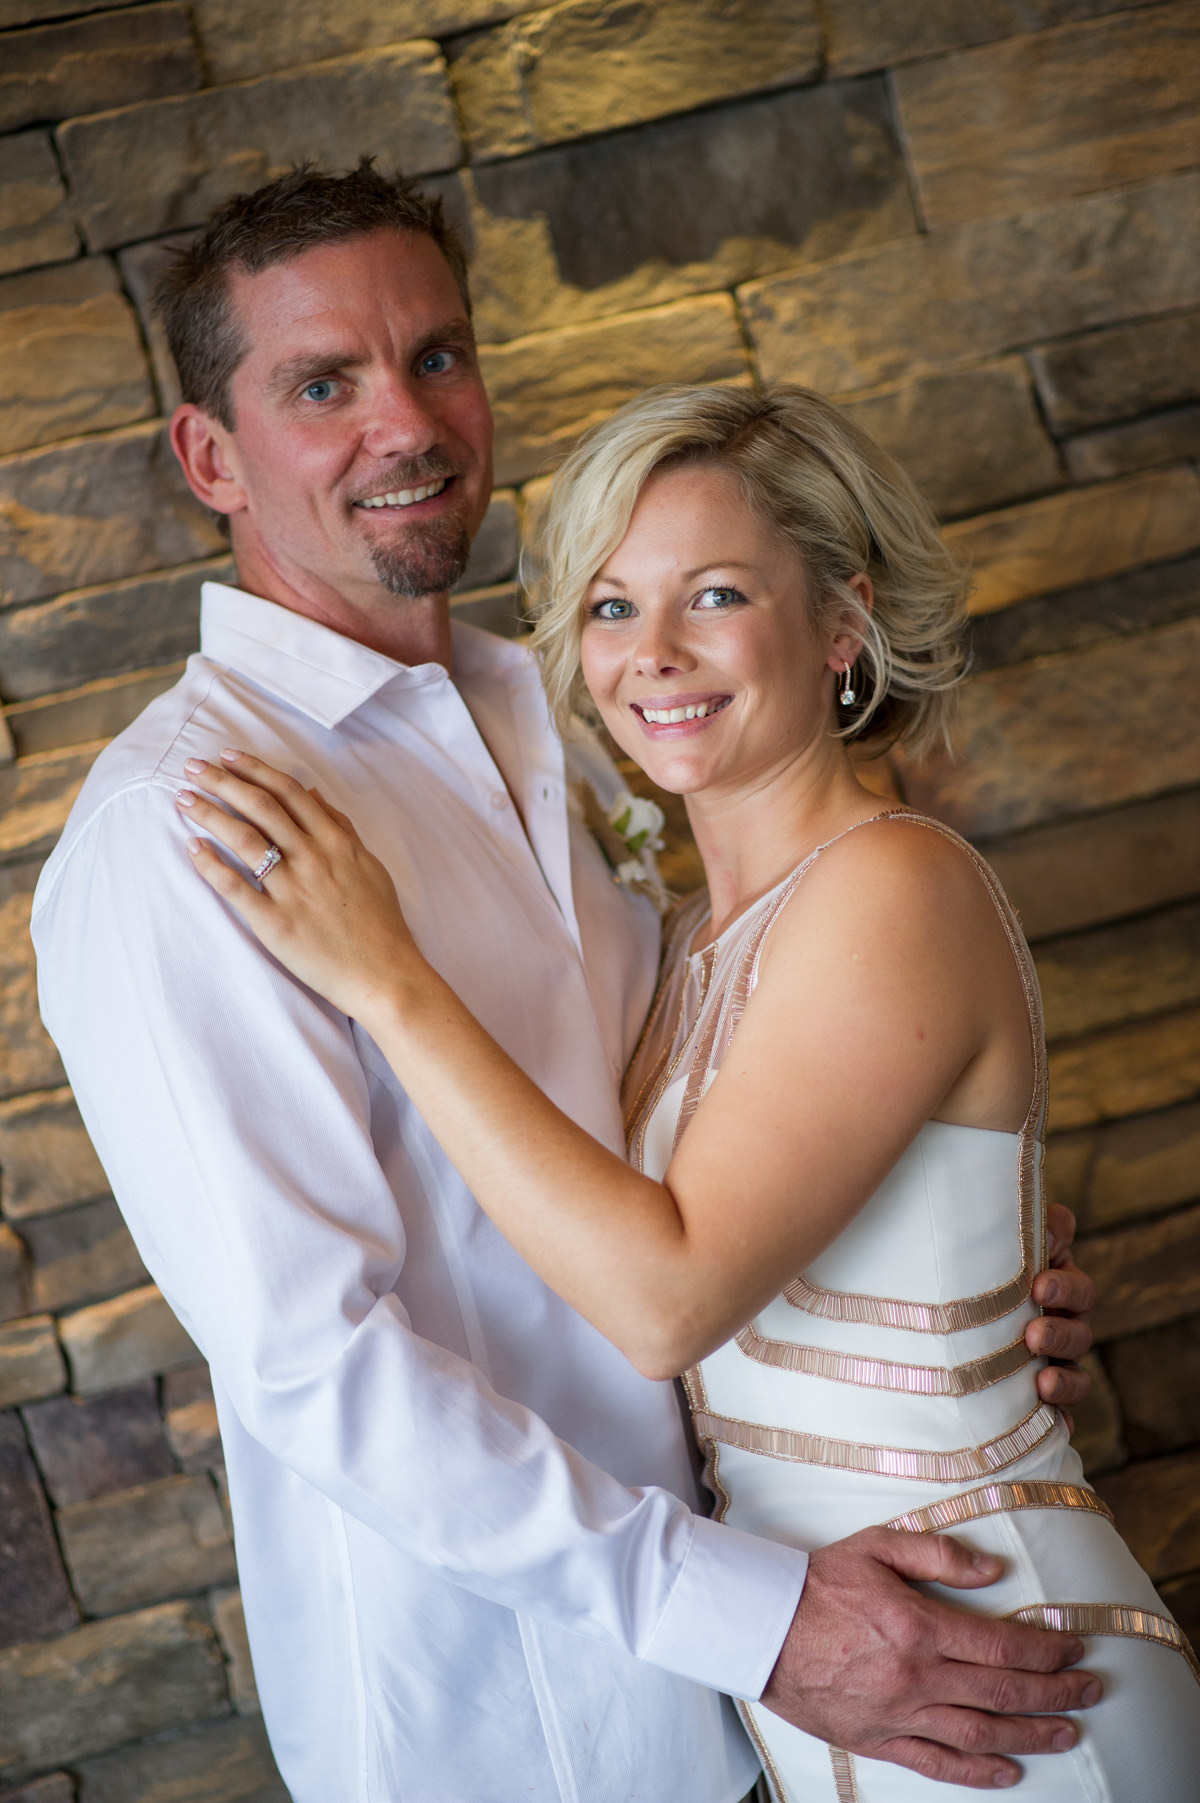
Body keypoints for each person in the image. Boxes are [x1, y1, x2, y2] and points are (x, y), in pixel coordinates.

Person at [32, 164, 1098, 1801]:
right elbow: (317, 1362)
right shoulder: (181, 832)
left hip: (795, 1685)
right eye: (325, 384)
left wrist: (943, 1290)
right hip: (533, 1734)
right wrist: (755, 1622)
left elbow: (716, 1123)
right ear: (210, 458)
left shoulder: (560, 709)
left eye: (436, 356)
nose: (408, 422)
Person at [174, 380, 1200, 1801]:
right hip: (850, 1679)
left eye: (712, 596)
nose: (652, 656)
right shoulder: (686, 940)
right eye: (609, 607)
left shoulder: (889, 885)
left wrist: (390, 979)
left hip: (1003, 1669)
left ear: (841, 622)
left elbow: (668, 1298)